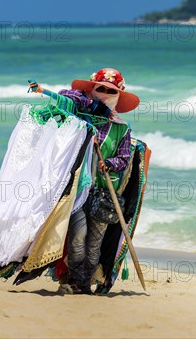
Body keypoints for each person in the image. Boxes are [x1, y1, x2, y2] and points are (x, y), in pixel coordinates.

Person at [57, 68, 140, 294]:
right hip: (77, 190)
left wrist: (109, 164)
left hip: (103, 193)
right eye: (100, 88)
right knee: (77, 237)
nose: (104, 93)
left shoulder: (121, 129)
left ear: (118, 95)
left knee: (94, 244)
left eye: (110, 90)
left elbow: (124, 159)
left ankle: (82, 284)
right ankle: (75, 278)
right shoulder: (80, 117)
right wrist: (85, 98)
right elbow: (64, 94)